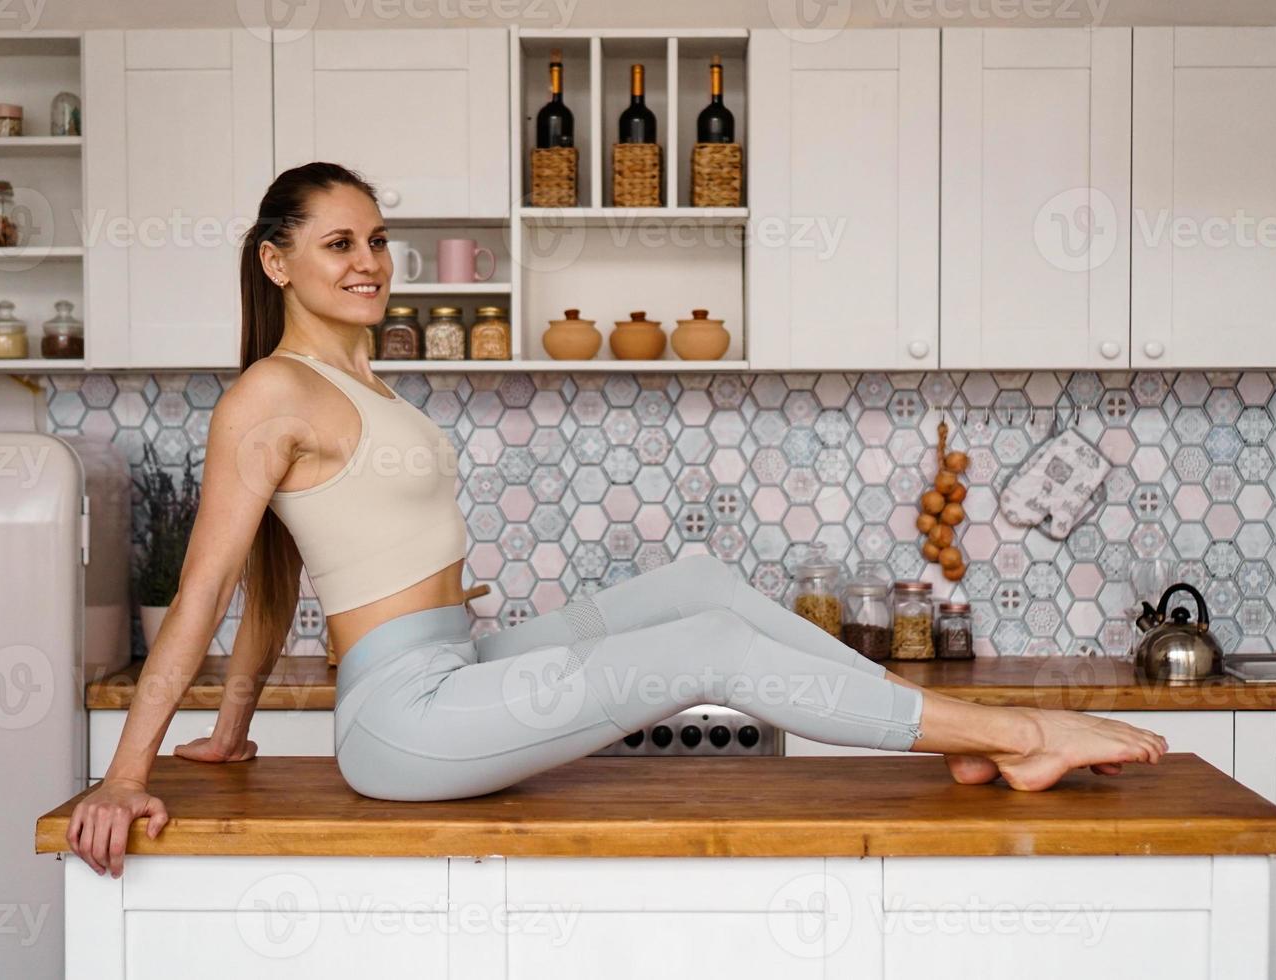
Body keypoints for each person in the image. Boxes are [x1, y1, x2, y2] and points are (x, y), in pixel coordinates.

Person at [67, 162, 1167, 878]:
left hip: (457, 663)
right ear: (278, 261)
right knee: (711, 651)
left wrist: (231, 726)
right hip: (406, 718)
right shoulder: (269, 393)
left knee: (696, 584)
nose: (368, 264)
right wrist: (131, 768)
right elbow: (211, 583)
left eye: (377, 240)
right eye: (338, 244)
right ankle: (1020, 735)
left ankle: (945, 729)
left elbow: (283, 570)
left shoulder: (369, 385)